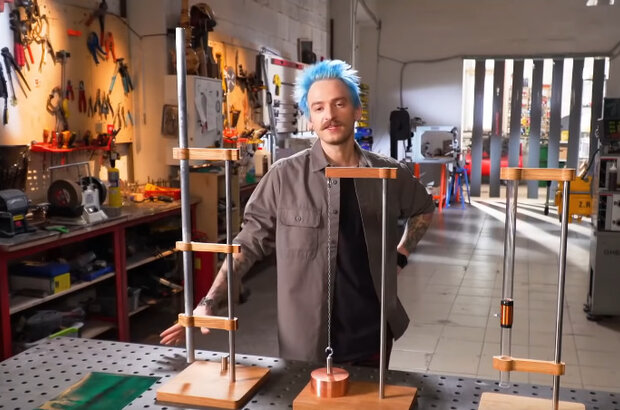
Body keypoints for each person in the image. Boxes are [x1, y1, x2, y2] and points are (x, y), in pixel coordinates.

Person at [160, 59, 435, 366]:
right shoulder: (283, 177)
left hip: (372, 335)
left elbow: (423, 208)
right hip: (305, 341)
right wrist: (209, 302)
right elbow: (247, 244)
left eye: (339, 103)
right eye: (318, 108)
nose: (329, 115)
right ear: (310, 118)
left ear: (357, 110)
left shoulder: (387, 174)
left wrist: (401, 253)